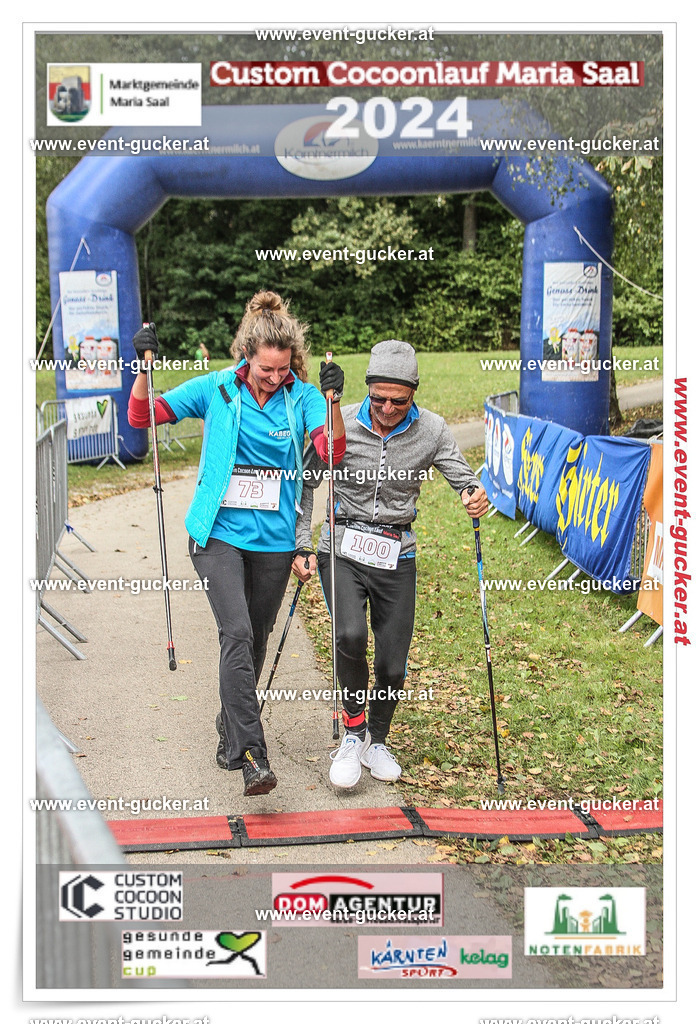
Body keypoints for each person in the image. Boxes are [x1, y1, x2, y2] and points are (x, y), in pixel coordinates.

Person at [128, 291, 345, 796]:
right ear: (247, 354)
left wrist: (333, 404)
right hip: (216, 536)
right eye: (266, 369)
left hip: (273, 541)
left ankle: (230, 727)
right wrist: (141, 369)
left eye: (283, 369)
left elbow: (331, 453)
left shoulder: (305, 396)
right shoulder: (217, 388)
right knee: (238, 633)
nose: (275, 377)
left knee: (256, 640)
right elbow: (143, 418)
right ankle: (252, 755)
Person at [296, 339, 488, 789]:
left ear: (414, 393)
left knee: (393, 664)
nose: (385, 408)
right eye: (377, 398)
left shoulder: (434, 430)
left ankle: (376, 740)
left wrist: (473, 495)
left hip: (396, 553)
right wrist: (302, 543)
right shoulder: (336, 422)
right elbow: (304, 483)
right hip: (341, 546)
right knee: (349, 635)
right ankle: (353, 731)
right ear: (367, 390)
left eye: (397, 401)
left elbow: (465, 478)